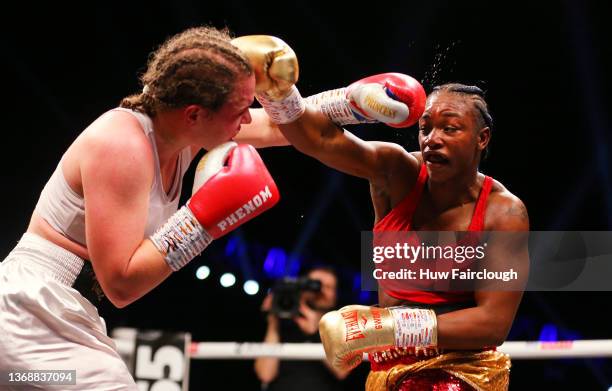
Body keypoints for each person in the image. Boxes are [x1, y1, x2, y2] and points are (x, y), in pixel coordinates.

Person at [0, 28, 348, 390]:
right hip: (29, 314)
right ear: (195, 114)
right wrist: (202, 218)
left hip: (60, 311)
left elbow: (279, 126)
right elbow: (120, 285)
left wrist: (351, 103)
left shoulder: (183, 135)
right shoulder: (122, 145)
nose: (247, 119)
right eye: (240, 110)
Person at [269, 75, 529, 390]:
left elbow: (492, 324)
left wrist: (387, 325)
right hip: (385, 370)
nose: (432, 138)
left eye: (450, 128)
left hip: (461, 371)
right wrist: (276, 92)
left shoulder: (503, 213)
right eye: (425, 128)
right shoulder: (396, 174)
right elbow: (319, 139)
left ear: (482, 138)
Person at [255, 266, 349, 390]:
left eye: (328, 287)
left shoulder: (344, 324)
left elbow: (341, 371)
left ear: (336, 295)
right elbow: (265, 375)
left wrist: (315, 332)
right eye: (314, 284)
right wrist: (273, 323)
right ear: (302, 287)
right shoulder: (282, 322)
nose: (320, 291)